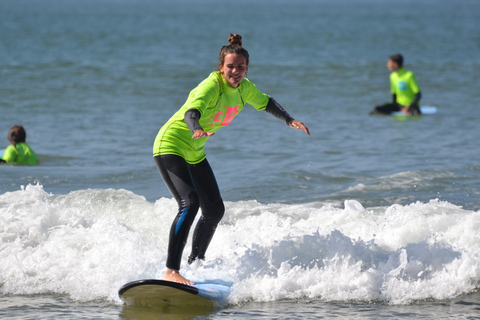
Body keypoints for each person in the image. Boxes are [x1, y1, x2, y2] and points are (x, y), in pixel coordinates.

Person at [152, 33, 310, 285]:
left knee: (214, 211)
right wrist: (196, 128)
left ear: (247, 68)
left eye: (241, 67)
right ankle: (171, 270)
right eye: (230, 67)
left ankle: (196, 265)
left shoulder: (245, 88)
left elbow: (266, 102)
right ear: (220, 67)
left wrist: (289, 120)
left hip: (194, 151)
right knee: (189, 203)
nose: (236, 71)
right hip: (170, 144)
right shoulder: (211, 86)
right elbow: (192, 112)